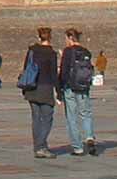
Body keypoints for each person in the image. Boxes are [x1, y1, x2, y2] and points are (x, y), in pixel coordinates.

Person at [22, 27, 60, 159]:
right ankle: (40, 146)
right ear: (50, 38)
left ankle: (38, 146)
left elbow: (26, 68)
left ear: (39, 37)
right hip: (45, 88)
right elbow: (54, 75)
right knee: (47, 118)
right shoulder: (51, 53)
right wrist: (59, 92)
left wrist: (24, 88)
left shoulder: (32, 50)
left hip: (32, 88)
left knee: (36, 119)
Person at [58, 29, 97, 156]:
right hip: (83, 87)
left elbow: (63, 72)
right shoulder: (86, 51)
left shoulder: (68, 51)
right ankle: (89, 136)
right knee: (85, 113)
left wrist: (59, 89)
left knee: (72, 117)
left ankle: (78, 147)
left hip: (70, 87)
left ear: (70, 37)